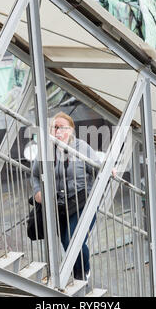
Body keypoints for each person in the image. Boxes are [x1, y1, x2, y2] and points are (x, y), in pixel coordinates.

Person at [31, 112, 102, 281]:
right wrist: (37, 192)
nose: (57, 132)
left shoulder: (82, 147)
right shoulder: (46, 150)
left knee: (73, 239)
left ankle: (82, 273)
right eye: (54, 128)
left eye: (61, 128)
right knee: (66, 241)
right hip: (60, 205)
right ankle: (78, 273)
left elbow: (98, 169)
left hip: (83, 202)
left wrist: (108, 169)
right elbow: (34, 174)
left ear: (71, 130)